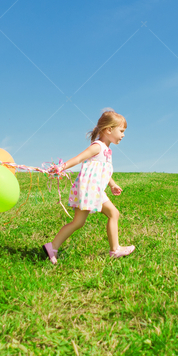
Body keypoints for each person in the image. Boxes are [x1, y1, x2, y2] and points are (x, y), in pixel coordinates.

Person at [43, 110, 134, 264]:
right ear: (109, 129)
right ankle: (114, 249)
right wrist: (61, 167)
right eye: (122, 131)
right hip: (88, 190)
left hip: (95, 190)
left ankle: (114, 249)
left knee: (109, 215)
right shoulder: (98, 146)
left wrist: (112, 184)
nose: (123, 135)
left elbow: (102, 171)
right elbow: (79, 158)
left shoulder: (106, 150)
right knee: (90, 219)